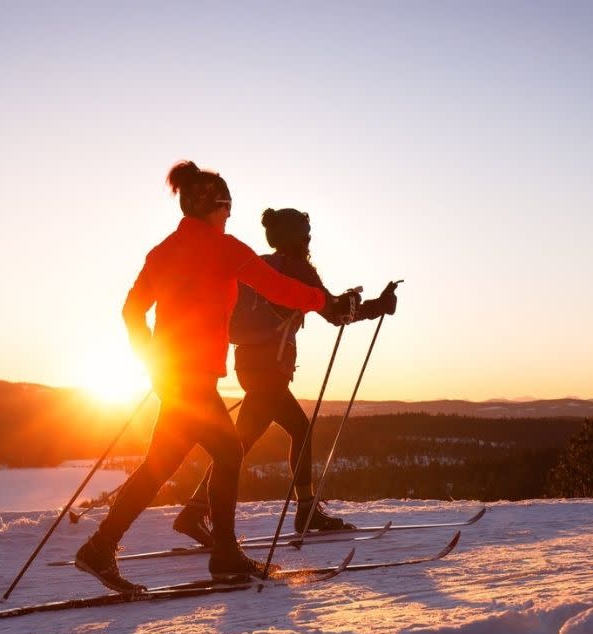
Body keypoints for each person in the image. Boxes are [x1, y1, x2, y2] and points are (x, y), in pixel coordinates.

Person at [75, 163, 359, 592]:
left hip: (172, 377)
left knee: (158, 466)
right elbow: (278, 287)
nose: (229, 218)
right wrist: (325, 301)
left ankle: (99, 548)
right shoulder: (223, 248)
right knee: (227, 452)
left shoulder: (162, 251)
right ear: (214, 207)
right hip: (192, 380)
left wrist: (151, 359)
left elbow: (131, 311)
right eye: (227, 209)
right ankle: (224, 555)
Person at [172, 207, 399, 547]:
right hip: (270, 370)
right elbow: (335, 313)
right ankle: (205, 511)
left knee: (284, 432)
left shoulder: (263, 263)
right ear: (298, 237)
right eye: (306, 233)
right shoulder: (299, 269)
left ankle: (297, 508)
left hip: (248, 365)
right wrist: (377, 306)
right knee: (240, 445)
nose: (309, 239)